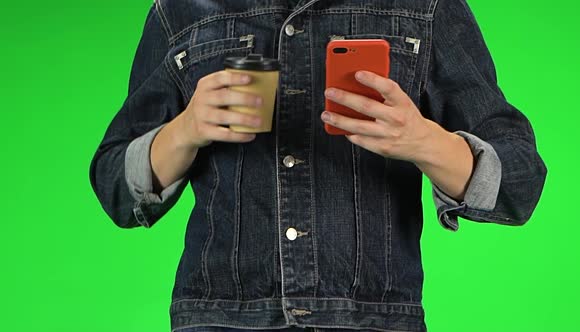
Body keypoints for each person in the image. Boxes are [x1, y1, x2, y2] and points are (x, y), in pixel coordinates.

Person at [89, 0, 547, 331]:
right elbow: (115, 188)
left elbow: (521, 183)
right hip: (219, 318)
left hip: (374, 320)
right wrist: (184, 130)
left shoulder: (424, 8)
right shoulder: (182, 10)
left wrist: (425, 140)